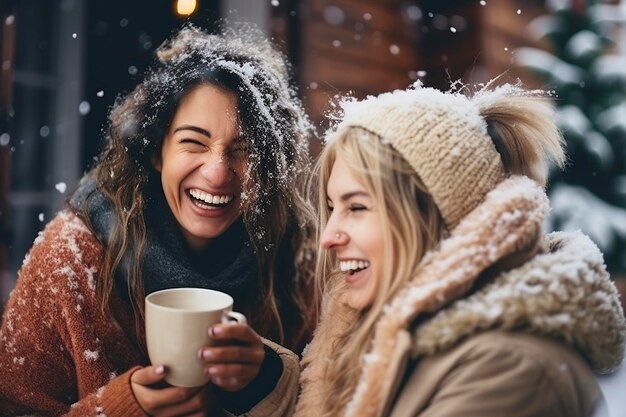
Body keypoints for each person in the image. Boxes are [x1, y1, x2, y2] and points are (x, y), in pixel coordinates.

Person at [0, 24, 315, 416]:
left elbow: (332, 399)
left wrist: (267, 381)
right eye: (193, 142)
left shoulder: (298, 260)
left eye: (244, 149)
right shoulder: (70, 259)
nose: (217, 173)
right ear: (156, 152)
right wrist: (118, 408)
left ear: (268, 168)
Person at [294, 80, 626, 417]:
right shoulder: (390, 336)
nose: (329, 236)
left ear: (435, 216)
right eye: (333, 208)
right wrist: (261, 380)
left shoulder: (508, 369)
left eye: (357, 208)